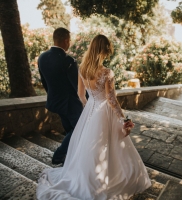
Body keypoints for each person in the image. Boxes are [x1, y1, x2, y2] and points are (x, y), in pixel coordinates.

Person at [36, 34, 151, 199]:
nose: (107, 55)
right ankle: (105, 180)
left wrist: (90, 107)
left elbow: (81, 95)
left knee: (90, 147)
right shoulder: (106, 73)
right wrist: (125, 119)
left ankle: (90, 176)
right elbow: (112, 100)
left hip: (91, 110)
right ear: (103, 51)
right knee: (107, 146)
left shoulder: (82, 69)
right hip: (105, 112)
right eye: (107, 52)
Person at [38, 27, 83, 165]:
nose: (69, 44)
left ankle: (71, 156)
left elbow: (44, 82)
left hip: (55, 101)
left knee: (70, 129)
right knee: (79, 129)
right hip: (70, 103)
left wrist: (53, 95)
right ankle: (59, 155)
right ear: (65, 41)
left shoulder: (42, 57)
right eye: (69, 41)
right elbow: (77, 86)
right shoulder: (68, 60)